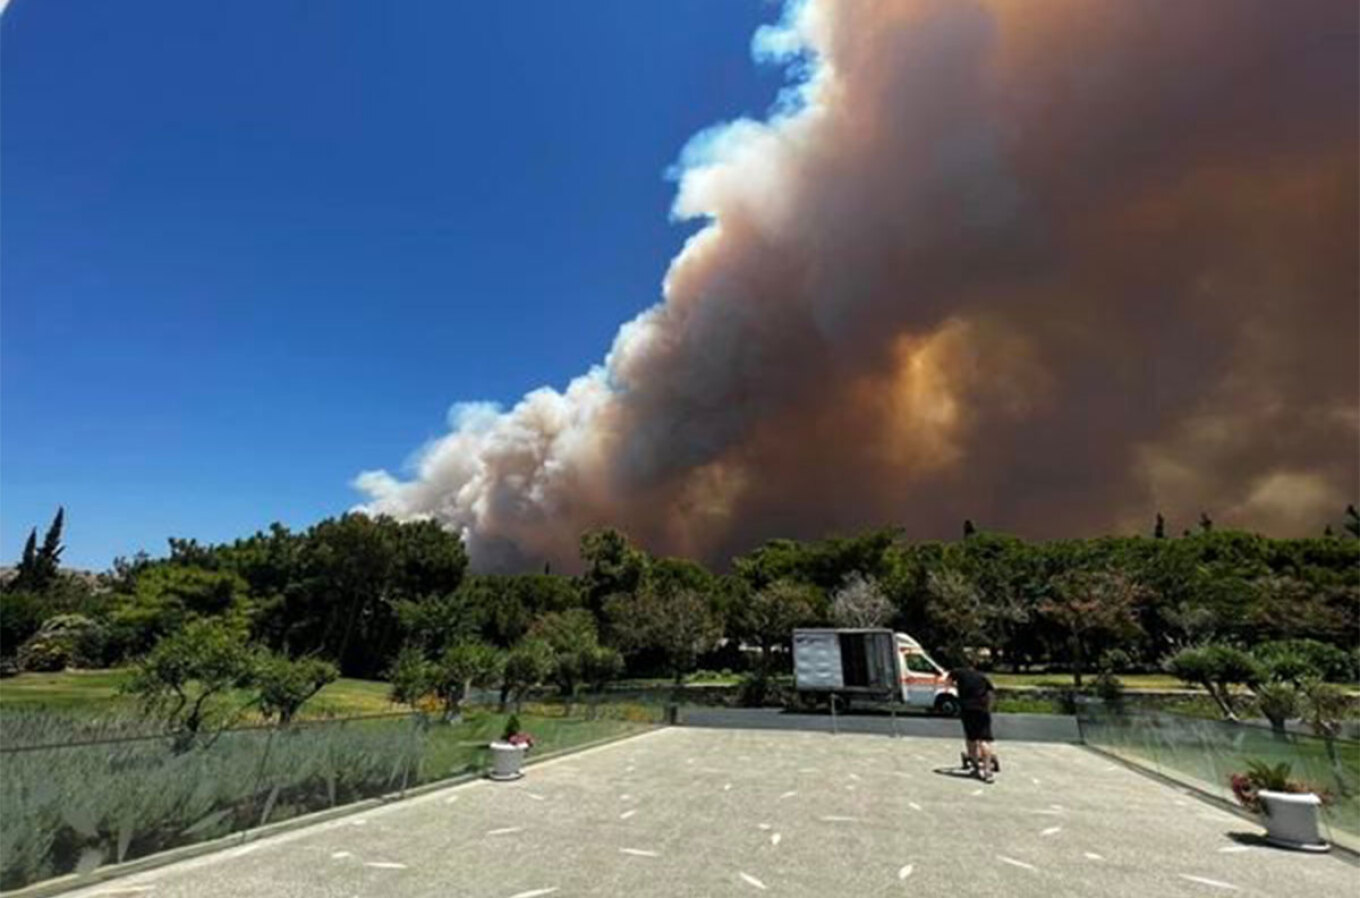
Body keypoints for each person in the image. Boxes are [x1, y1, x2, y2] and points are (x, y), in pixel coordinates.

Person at [947, 663, 999, 783]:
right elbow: (991, 693)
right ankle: (987, 770)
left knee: (971, 739)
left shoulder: (958, 672)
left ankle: (975, 766)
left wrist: (957, 687)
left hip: (967, 708)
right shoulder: (982, 677)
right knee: (984, 740)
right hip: (982, 709)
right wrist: (989, 707)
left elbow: (948, 682)